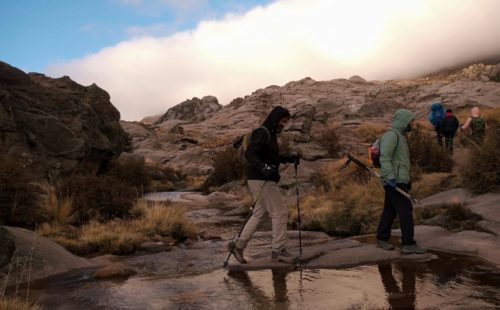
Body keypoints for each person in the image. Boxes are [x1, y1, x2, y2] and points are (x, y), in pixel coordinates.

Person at [227, 106, 300, 264]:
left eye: (286, 122)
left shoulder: (271, 134)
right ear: (274, 118)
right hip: (262, 179)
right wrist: (263, 168)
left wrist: (288, 158)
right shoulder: (263, 132)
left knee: (259, 213)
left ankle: (237, 246)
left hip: (256, 179)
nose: (284, 124)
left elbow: (269, 156)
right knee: (280, 212)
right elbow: (251, 153)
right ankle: (278, 251)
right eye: (282, 120)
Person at [376, 109, 426, 254]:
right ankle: (408, 243)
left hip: (399, 180)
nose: (413, 124)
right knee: (405, 210)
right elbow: (384, 157)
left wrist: (406, 180)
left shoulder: (400, 136)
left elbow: (401, 162)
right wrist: (390, 177)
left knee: (390, 210)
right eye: (411, 121)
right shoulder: (391, 136)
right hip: (393, 180)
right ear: (404, 121)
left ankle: (382, 238)